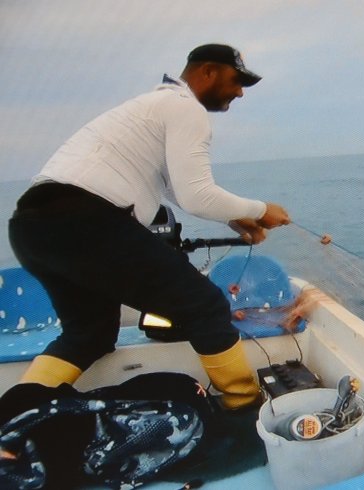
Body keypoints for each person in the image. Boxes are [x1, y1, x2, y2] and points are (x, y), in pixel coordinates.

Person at [7, 43, 290, 410]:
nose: (239, 92)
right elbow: (196, 195)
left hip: (32, 229)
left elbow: (173, 187)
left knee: (88, 335)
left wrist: (234, 216)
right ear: (207, 71)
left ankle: (18, 414)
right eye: (236, 81)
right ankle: (244, 406)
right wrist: (262, 208)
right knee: (205, 306)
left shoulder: (150, 108)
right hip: (86, 221)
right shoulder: (185, 108)